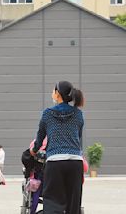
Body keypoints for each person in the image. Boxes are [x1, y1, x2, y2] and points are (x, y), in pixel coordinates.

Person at [30, 81, 85, 214]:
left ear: (57, 94)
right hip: (75, 162)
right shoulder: (78, 114)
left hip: (55, 163)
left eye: (53, 91)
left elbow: (40, 138)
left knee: (53, 202)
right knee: (73, 205)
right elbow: (78, 138)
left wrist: (34, 150)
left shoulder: (47, 114)